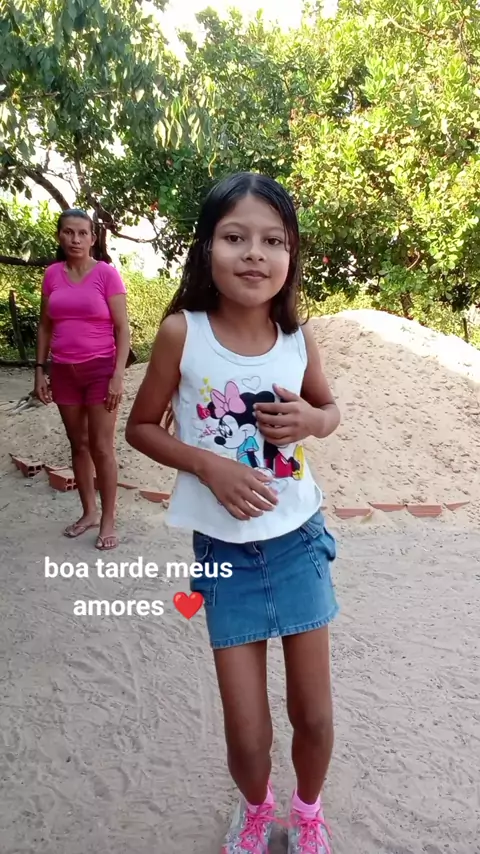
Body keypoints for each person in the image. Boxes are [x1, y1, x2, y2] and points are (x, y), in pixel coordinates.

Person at [125, 173, 341, 853]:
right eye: (235, 237)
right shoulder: (181, 333)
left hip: (298, 542)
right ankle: (256, 810)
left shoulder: (297, 337)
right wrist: (207, 465)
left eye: (273, 240)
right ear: (207, 249)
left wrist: (312, 419)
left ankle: (307, 813)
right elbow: (140, 427)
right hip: (223, 554)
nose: (254, 253)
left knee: (314, 715)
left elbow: (329, 410)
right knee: (246, 732)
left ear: (290, 255)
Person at [35, 208, 130, 550]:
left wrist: (118, 375)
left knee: (102, 447)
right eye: (68, 232)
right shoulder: (52, 275)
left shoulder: (106, 274)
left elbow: (123, 329)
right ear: (59, 236)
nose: (75, 239)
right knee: (78, 444)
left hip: (100, 369)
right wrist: (40, 370)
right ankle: (89, 512)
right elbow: (45, 326)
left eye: (82, 233)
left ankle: (108, 519)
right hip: (63, 371)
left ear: (92, 238)